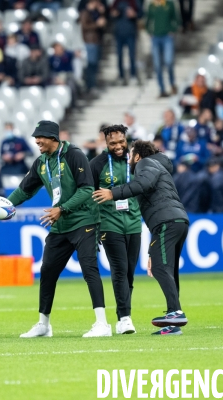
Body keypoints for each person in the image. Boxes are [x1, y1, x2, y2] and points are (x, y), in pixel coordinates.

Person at [0, 120, 110, 338]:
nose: (36, 141)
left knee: (89, 269)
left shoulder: (74, 155)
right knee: (47, 272)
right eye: (35, 138)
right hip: (60, 225)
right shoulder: (41, 162)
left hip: (84, 220)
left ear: (53, 138)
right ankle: (44, 325)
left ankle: (102, 324)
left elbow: (87, 190)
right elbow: (23, 191)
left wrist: (62, 208)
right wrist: (2, 207)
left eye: (40, 137)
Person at [93, 140, 189, 335]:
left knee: (162, 269)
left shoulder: (145, 164)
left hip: (166, 221)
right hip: (176, 220)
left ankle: (176, 313)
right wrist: (151, 252)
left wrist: (113, 193)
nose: (129, 160)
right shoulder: (159, 165)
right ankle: (173, 322)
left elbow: (142, 184)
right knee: (168, 269)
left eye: (131, 155)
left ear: (137, 156)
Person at [89, 125, 141, 334]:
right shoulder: (97, 164)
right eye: (113, 143)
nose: (118, 146)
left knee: (129, 272)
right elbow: (88, 195)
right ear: (105, 143)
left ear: (126, 139)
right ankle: (125, 318)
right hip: (109, 223)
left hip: (134, 222)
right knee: (119, 269)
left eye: (121, 142)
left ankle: (123, 317)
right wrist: (93, 227)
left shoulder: (136, 160)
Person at [146, 0, 178, 98]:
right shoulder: (152, 5)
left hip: (167, 37)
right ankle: (162, 89)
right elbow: (147, 21)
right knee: (157, 65)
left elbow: (176, 19)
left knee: (168, 61)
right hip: (155, 37)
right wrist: (150, 32)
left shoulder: (169, 4)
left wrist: (173, 30)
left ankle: (172, 84)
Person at [111, 0, 141, 86]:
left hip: (130, 33)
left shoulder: (134, 2)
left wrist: (134, 14)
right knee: (119, 56)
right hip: (119, 33)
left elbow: (141, 13)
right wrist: (114, 14)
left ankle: (133, 75)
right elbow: (110, 15)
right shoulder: (116, 2)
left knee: (132, 56)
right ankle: (121, 76)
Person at [80, 0, 106, 95]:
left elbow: (103, 23)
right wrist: (96, 25)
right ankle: (90, 86)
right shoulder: (85, 12)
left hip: (97, 40)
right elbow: (84, 26)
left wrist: (102, 13)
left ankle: (93, 85)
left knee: (95, 65)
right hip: (89, 41)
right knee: (91, 64)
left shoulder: (97, 12)